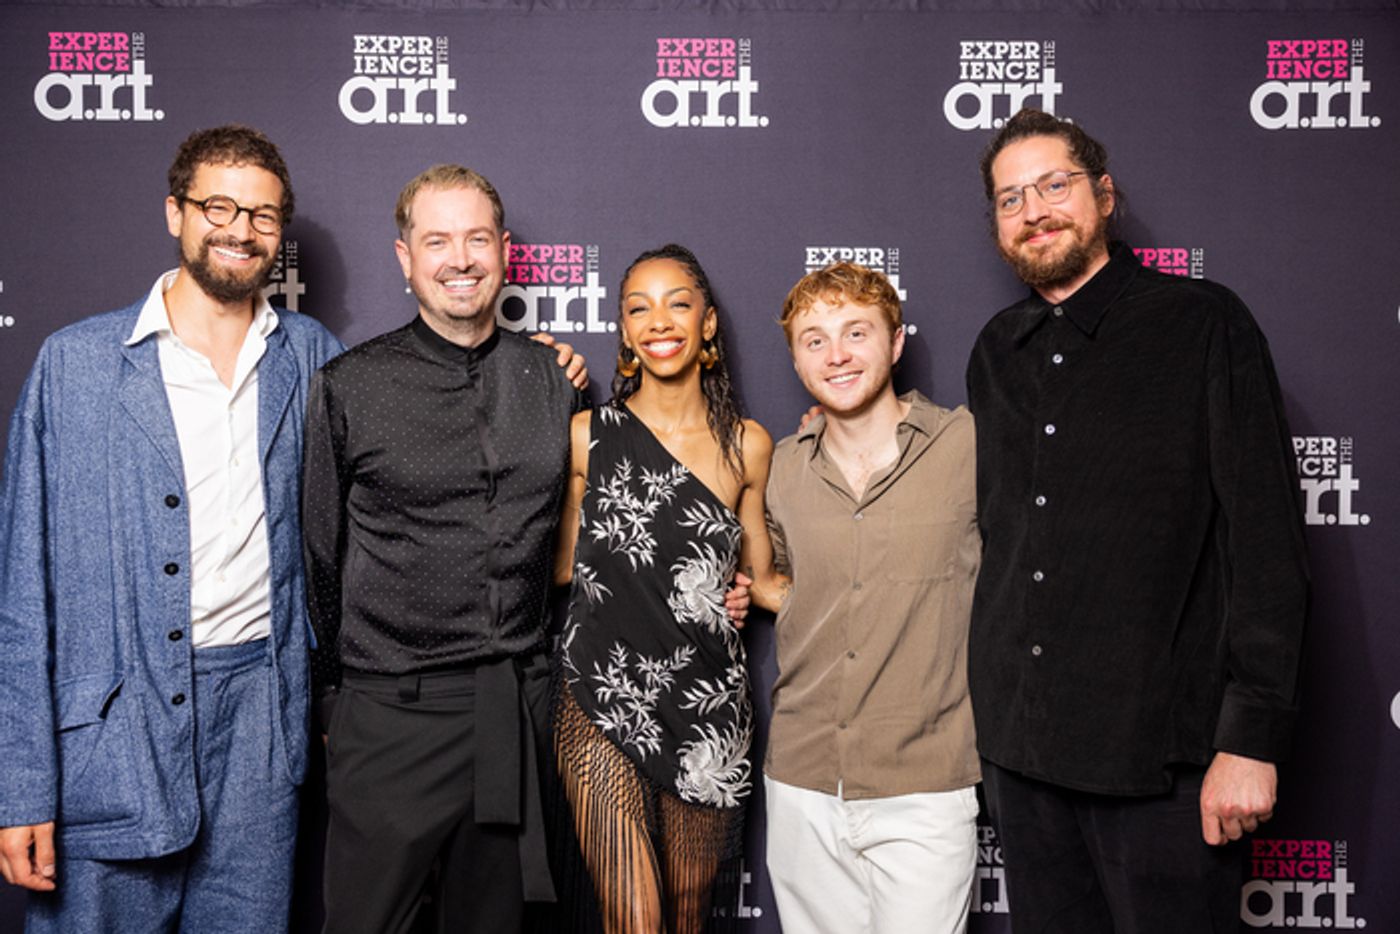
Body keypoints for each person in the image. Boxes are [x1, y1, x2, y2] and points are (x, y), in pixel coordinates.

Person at [966, 108, 1309, 932]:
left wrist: (1251, 739)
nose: (1035, 209)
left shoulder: (1203, 324)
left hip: (1165, 762)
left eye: (1055, 185)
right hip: (1023, 755)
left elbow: (1266, 545)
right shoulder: (995, 351)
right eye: (1011, 198)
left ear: (1104, 194)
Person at [0, 125, 345, 932]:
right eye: (216, 205)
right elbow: (22, 593)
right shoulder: (74, 365)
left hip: (262, 734)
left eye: (262, 215)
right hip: (109, 736)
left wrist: (541, 371)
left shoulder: (313, 358)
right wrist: (19, 784)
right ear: (174, 213)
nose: (239, 229)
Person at [301, 163, 590, 934]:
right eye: (437, 241)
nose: (459, 258)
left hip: (513, 710)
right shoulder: (348, 386)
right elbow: (318, 558)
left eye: (476, 238)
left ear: (502, 251)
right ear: (405, 258)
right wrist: (338, 700)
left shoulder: (551, 378)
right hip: (390, 713)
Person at [551, 244, 783, 934]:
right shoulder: (586, 436)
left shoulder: (749, 445)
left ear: (708, 322)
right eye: (638, 307)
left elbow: (765, 581)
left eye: (678, 302)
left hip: (706, 704)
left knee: (687, 913)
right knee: (635, 916)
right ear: (623, 330)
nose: (660, 320)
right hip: (601, 690)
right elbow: (561, 567)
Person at [762, 262, 981, 933]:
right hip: (801, 776)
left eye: (856, 332)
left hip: (925, 779)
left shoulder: (970, 445)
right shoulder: (781, 467)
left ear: (895, 341)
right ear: (797, 360)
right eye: (815, 339)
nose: (837, 355)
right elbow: (772, 580)